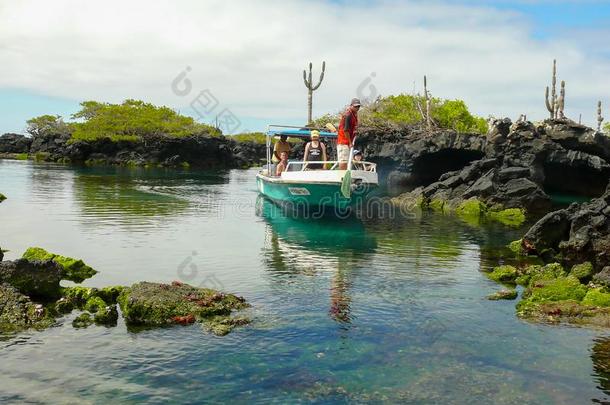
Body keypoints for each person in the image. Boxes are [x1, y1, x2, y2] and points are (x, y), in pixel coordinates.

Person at [337, 98, 361, 170]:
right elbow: (346, 130)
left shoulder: (354, 114)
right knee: (343, 161)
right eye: (355, 106)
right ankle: (342, 177)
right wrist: (350, 143)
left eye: (358, 106)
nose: (357, 108)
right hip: (343, 142)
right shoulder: (348, 115)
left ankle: (345, 176)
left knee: (347, 160)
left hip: (347, 142)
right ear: (351, 105)